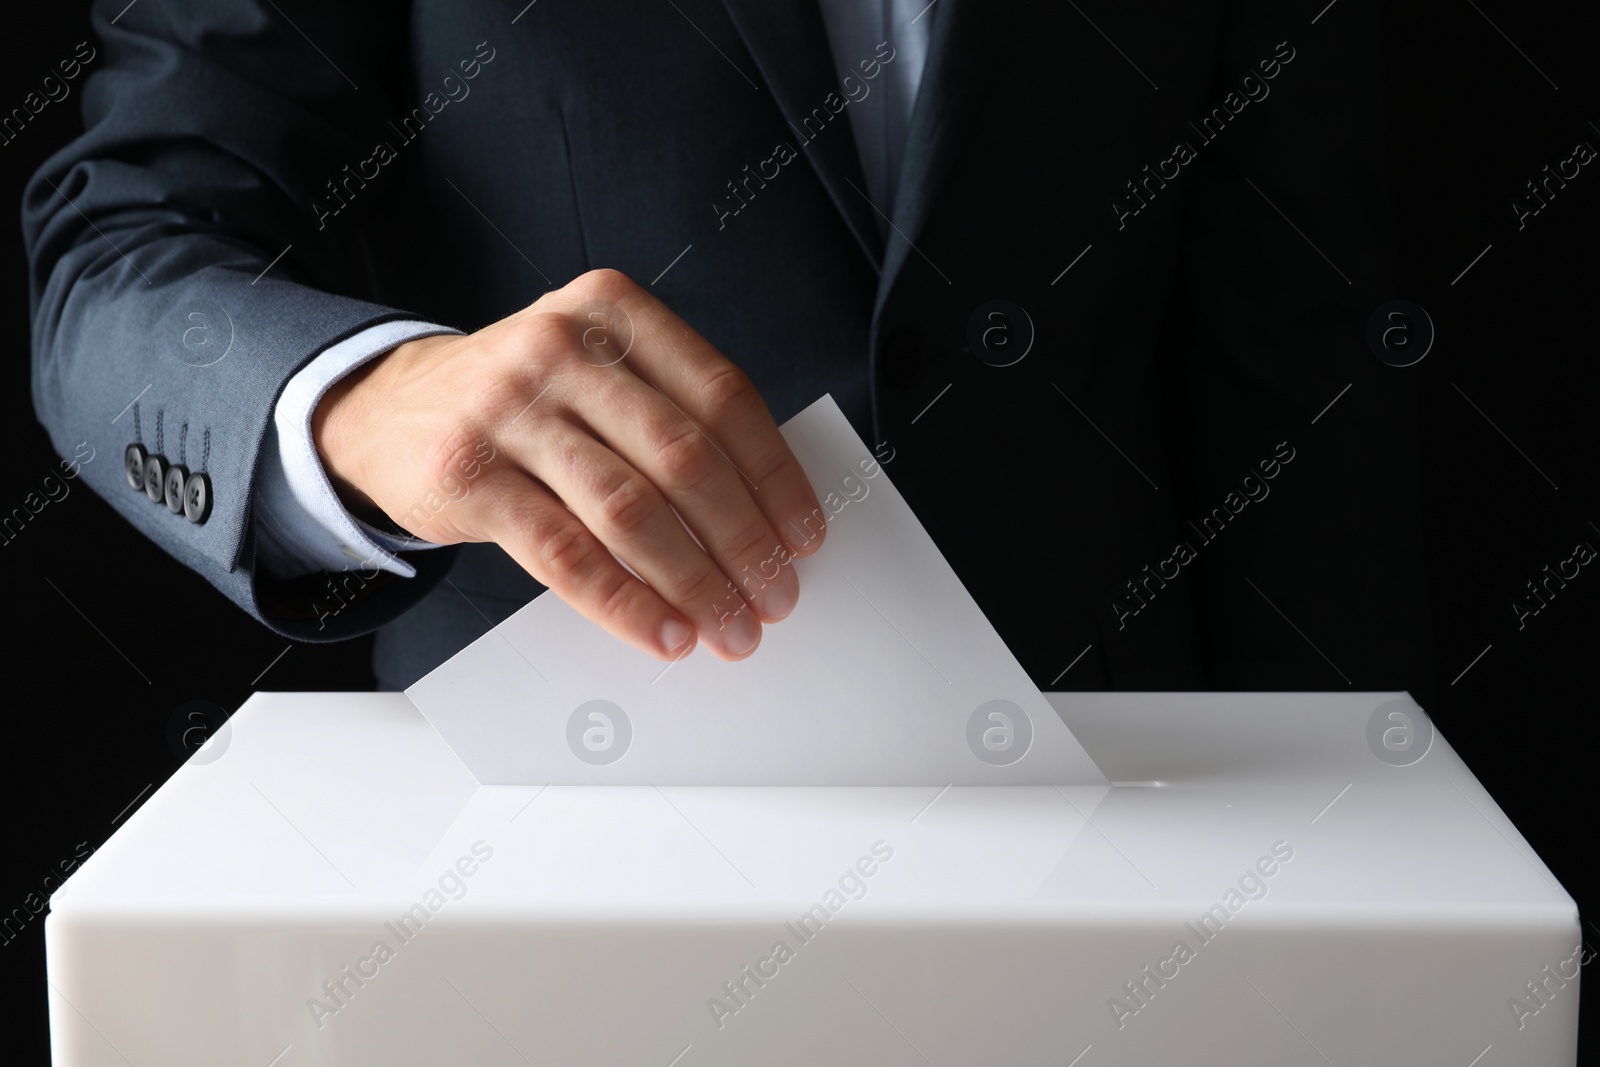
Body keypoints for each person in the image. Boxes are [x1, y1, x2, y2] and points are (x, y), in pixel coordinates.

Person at [25, 0, 1433, 696]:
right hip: (557, 883)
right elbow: (120, 261)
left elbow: (1302, 372)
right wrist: (364, 404)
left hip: (1132, 844)